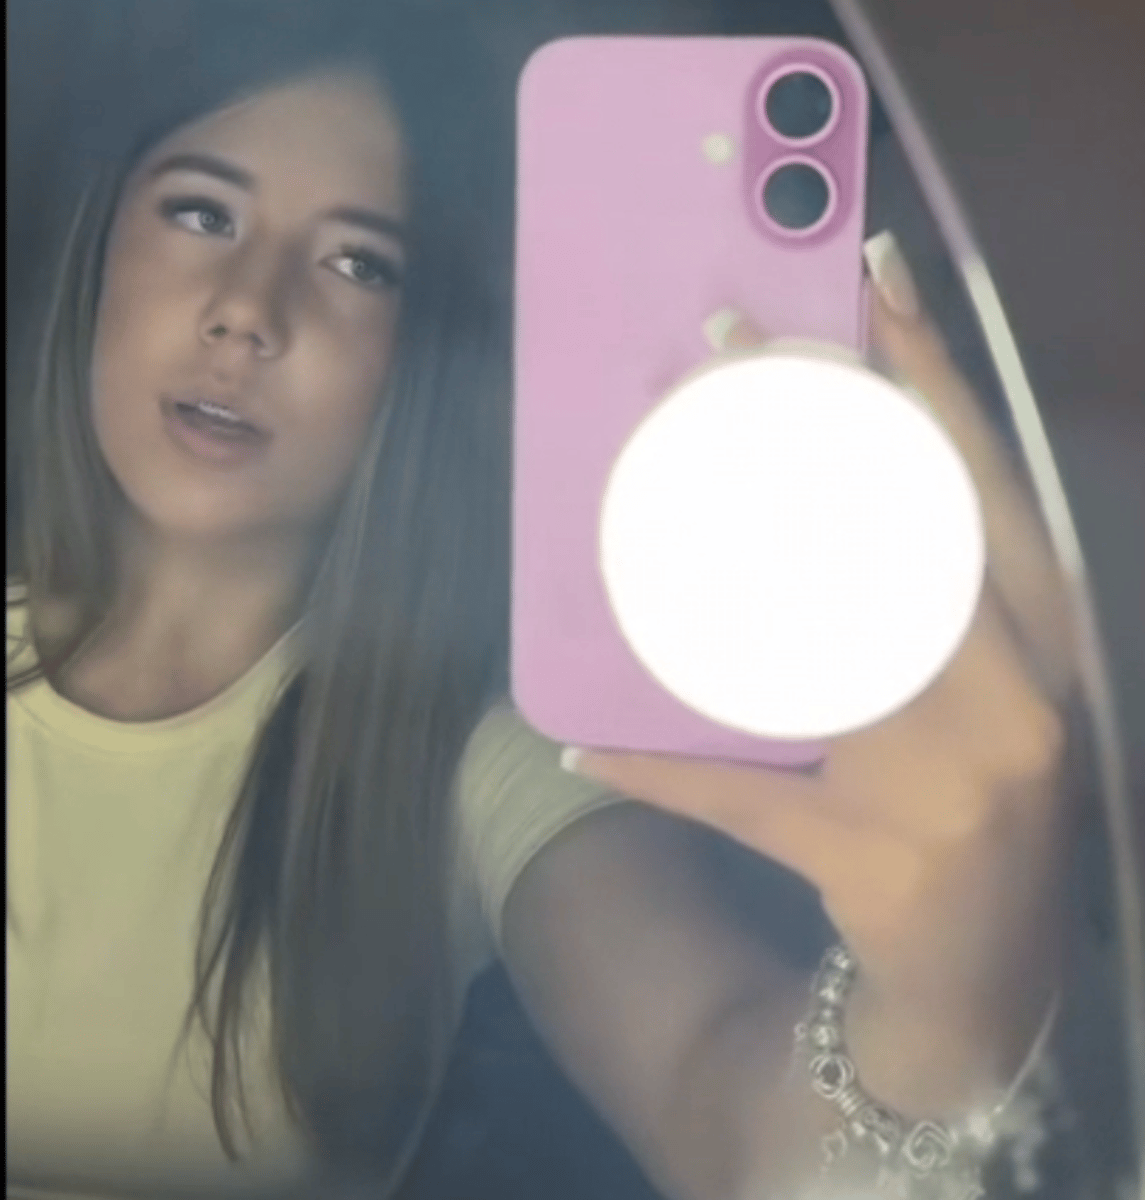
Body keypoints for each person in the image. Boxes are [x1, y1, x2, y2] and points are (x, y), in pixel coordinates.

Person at [6, 12, 1080, 1200]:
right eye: (203, 213)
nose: (248, 311)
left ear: (414, 356)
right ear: (101, 243)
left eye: (359, 263)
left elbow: (724, 1107)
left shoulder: (469, 763)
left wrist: (944, 1009)